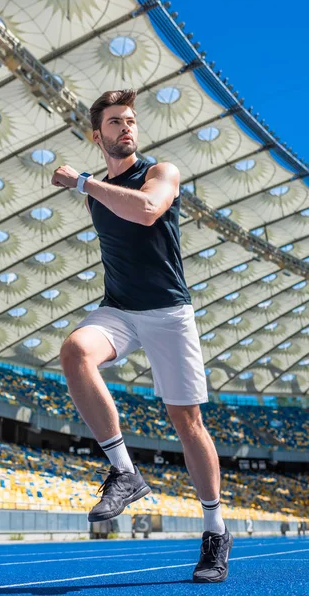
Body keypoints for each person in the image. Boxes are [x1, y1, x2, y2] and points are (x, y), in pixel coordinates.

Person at [51, 89, 233, 583]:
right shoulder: (98, 188)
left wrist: (84, 182)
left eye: (130, 120)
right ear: (98, 135)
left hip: (169, 312)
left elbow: (149, 210)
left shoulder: (160, 172)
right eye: (115, 122)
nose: (126, 128)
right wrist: (91, 185)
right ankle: (125, 471)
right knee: (73, 351)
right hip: (120, 310)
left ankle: (215, 529)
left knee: (186, 420)